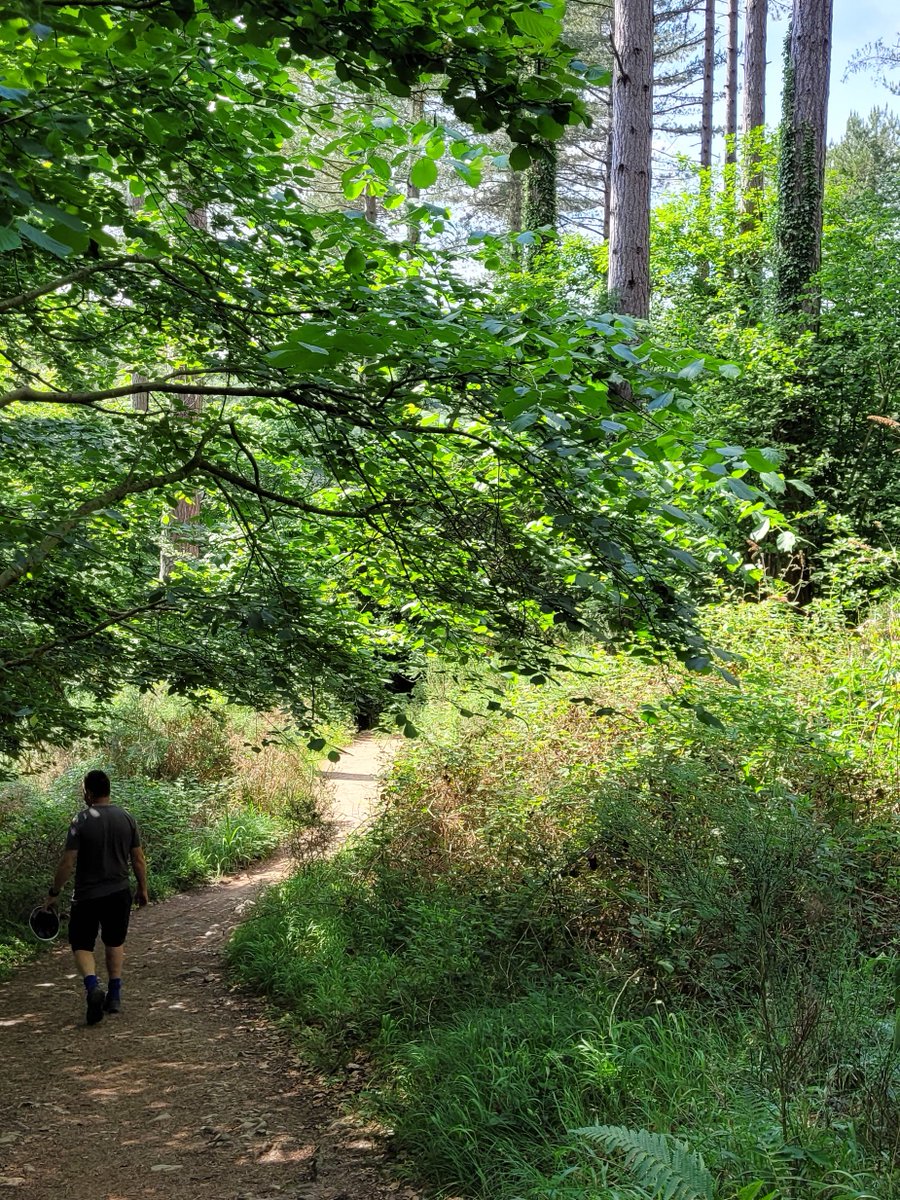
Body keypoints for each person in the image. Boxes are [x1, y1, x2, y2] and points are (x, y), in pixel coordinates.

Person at [42, 769, 149, 1026]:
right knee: (114, 941)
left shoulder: (81, 820)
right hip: (119, 892)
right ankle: (114, 995)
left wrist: (54, 893)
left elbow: (68, 862)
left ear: (89, 792)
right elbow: (138, 859)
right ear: (108, 790)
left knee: (81, 944)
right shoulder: (127, 818)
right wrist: (142, 888)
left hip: (86, 896)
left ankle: (92, 987)